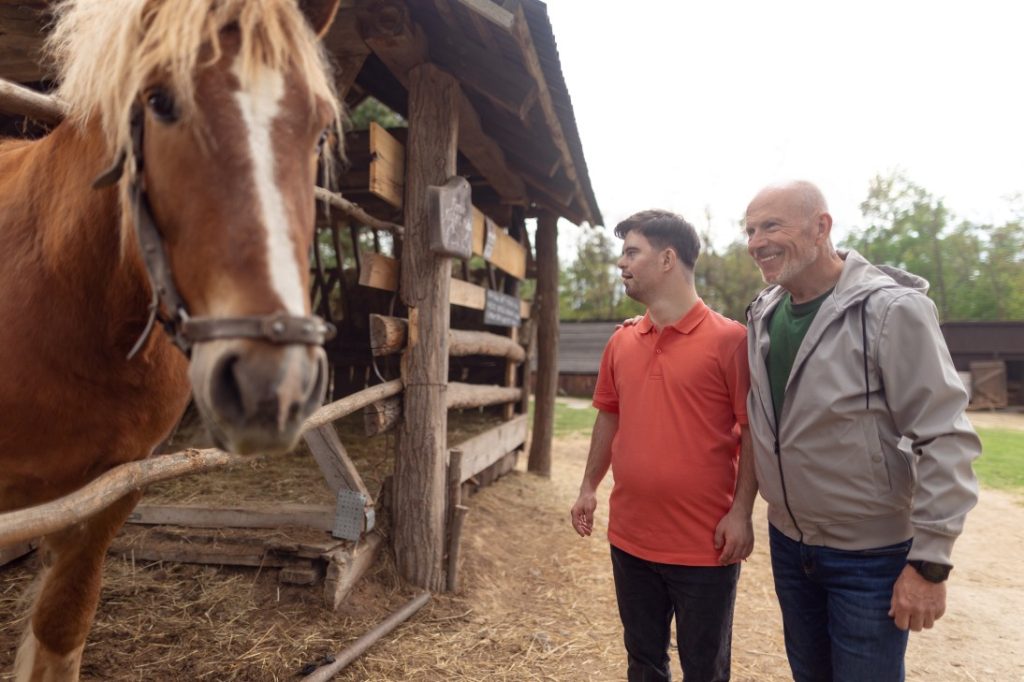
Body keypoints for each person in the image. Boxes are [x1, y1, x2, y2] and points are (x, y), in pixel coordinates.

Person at [743, 181, 981, 681]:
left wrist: (931, 564)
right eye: (749, 230)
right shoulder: (763, 314)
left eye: (771, 225)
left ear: (821, 227)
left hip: (868, 559)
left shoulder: (893, 310)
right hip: (789, 544)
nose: (756, 241)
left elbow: (945, 436)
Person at [570, 209, 757, 682]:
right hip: (630, 539)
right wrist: (589, 485)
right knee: (644, 663)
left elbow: (753, 432)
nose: (621, 263)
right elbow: (608, 416)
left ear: (668, 258)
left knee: (705, 670)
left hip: (703, 547)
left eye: (632, 251)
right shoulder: (622, 341)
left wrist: (741, 512)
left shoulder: (731, 341)